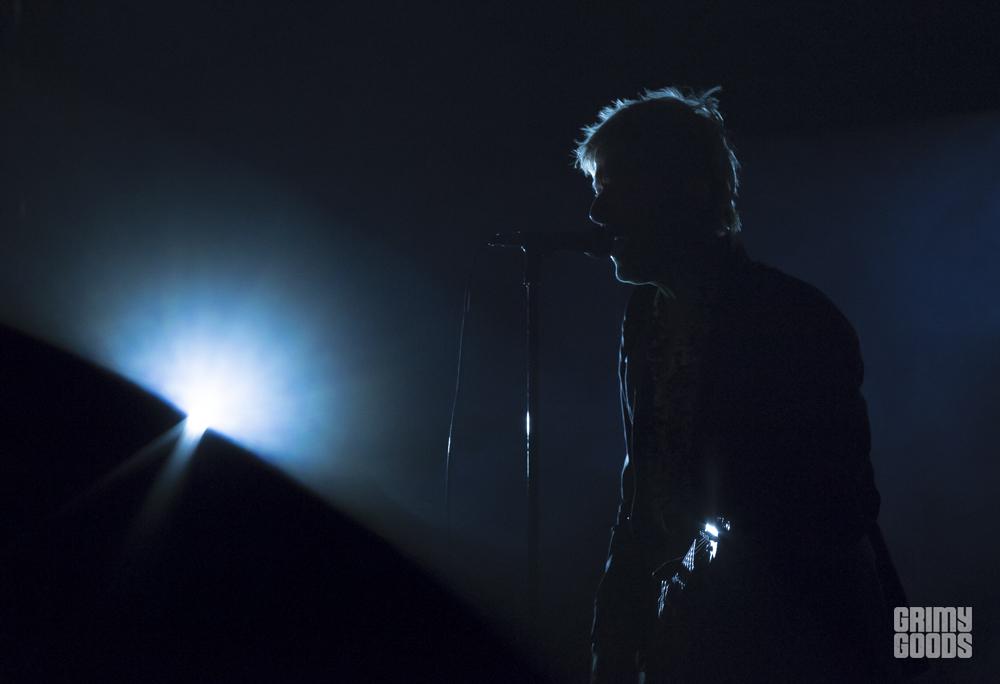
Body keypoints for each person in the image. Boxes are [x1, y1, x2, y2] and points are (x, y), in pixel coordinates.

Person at [577, 87, 908, 683]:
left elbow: (840, 506)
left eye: (614, 186)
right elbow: (643, 489)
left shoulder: (790, 317)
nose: (598, 214)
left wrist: (713, 582)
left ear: (684, 188)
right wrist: (616, 630)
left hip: (793, 643)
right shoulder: (644, 317)